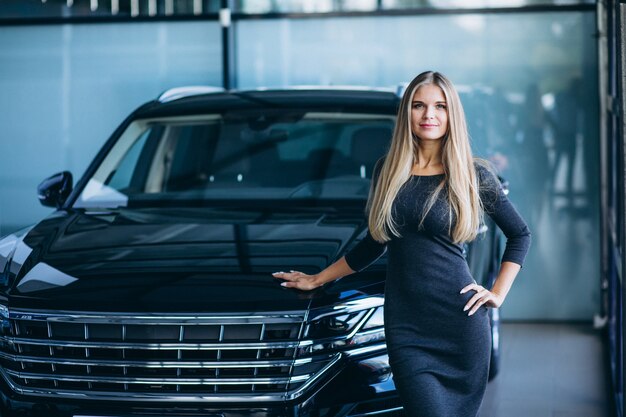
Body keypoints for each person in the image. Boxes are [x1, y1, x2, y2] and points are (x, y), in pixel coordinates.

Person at [272, 71, 531, 417]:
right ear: (406, 112)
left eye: (440, 106)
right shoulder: (388, 171)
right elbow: (374, 243)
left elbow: (520, 235)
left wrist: (497, 293)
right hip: (406, 327)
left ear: (452, 114)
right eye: (419, 105)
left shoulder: (473, 175)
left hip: (460, 323)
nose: (429, 115)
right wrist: (318, 278)